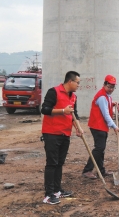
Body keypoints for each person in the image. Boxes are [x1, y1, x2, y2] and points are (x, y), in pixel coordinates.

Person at [41, 71, 82, 205]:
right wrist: (63, 111)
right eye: (77, 82)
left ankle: (57, 190)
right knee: (52, 163)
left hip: (65, 134)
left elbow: (74, 115)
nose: (78, 85)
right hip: (52, 133)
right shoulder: (54, 92)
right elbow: (45, 109)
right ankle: (48, 195)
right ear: (70, 81)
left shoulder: (73, 97)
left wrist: (78, 128)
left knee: (59, 163)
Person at [82, 75, 119, 179]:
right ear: (104, 84)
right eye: (109, 86)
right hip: (97, 125)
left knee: (101, 148)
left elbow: (105, 106)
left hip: (101, 126)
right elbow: (106, 114)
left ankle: (101, 170)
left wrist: (112, 104)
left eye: (113, 87)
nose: (111, 89)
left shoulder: (107, 96)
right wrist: (114, 126)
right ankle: (87, 170)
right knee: (99, 148)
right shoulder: (102, 96)